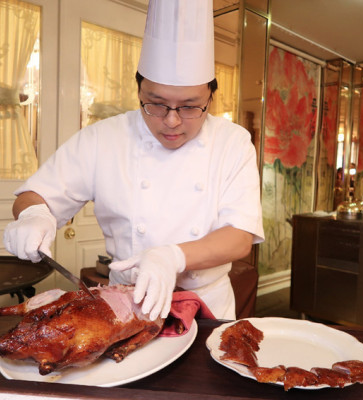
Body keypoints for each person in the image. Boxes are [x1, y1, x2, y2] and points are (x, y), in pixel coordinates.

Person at [3, 0, 264, 321]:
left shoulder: (233, 141)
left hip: (207, 306)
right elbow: (36, 194)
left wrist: (173, 256)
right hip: (126, 304)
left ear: (211, 97)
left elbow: (239, 238)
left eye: (189, 107)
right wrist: (33, 215)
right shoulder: (103, 137)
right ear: (139, 90)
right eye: (155, 103)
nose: (171, 121)